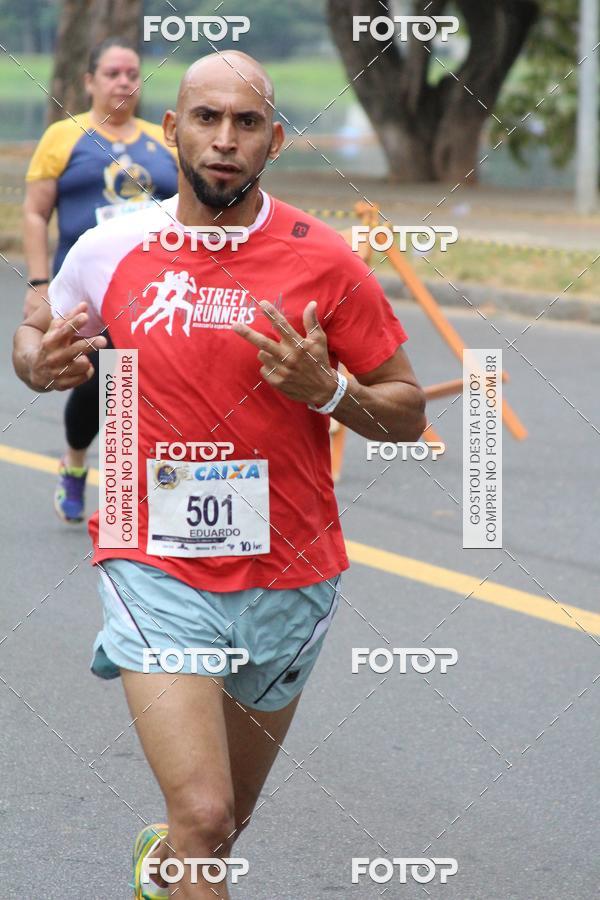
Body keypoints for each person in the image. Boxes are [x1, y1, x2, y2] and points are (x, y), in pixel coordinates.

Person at [13, 52, 426, 899]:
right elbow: (33, 335)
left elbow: (408, 408)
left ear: (275, 140)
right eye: (206, 118)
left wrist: (333, 390)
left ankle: (162, 872)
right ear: (172, 132)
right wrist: (36, 363)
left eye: (246, 124)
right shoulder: (111, 246)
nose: (225, 140)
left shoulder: (326, 261)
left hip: (291, 569)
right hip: (151, 559)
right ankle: (183, 854)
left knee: (221, 824)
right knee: (201, 813)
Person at [23, 36, 178, 524]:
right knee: (101, 380)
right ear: (90, 81)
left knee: (136, 384)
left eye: (133, 74)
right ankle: (75, 465)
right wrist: (41, 283)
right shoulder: (63, 137)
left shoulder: (163, 139)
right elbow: (34, 213)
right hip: (88, 290)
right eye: (113, 73)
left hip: (153, 289)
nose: (124, 82)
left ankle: (130, 496)